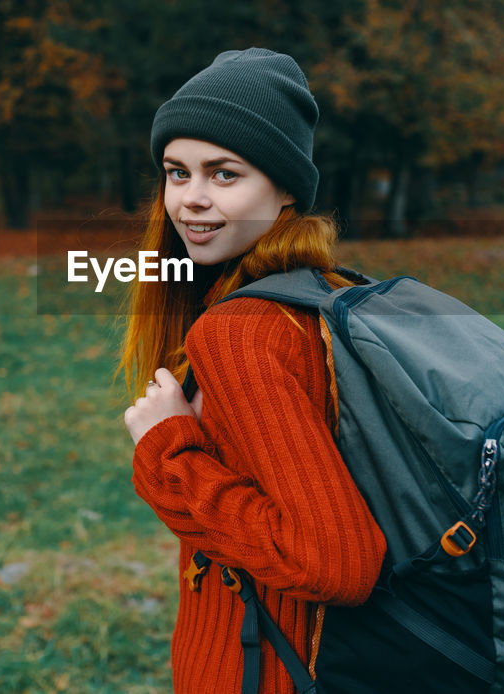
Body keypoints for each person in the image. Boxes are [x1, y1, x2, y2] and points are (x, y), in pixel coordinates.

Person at [119, 48, 386, 693]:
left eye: (224, 174)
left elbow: (338, 561)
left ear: (286, 188)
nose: (192, 200)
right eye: (176, 174)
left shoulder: (243, 331)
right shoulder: (318, 294)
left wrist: (169, 450)